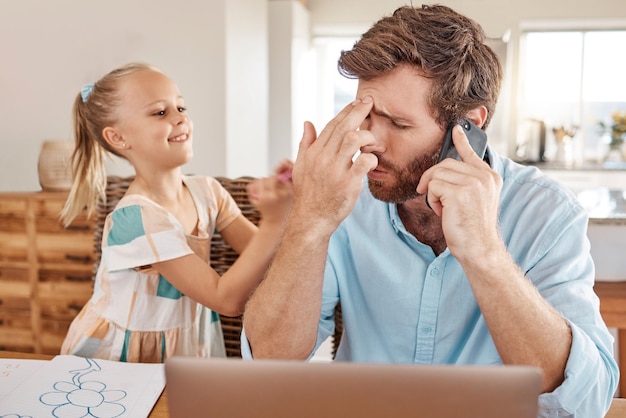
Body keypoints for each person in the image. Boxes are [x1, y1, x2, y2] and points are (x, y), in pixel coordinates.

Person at [242, 5, 619, 417]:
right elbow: (269, 363)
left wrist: (485, 253)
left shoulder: (544, 212)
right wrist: (310, 220)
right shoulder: (343, 199)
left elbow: (585, 402)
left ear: (469, 126)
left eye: (398, 125)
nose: (369, 140)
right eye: (364, 115)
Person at [60, 62, 293, 363]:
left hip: (188, 345)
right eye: (160, 112)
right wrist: (274, 222)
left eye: (181, 108)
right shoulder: (136, 218)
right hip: (120, 359)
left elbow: (273, 260)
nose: (180, 119)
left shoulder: (208, 193)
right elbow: (226, 299)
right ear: (118, 138)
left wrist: (288, 205)